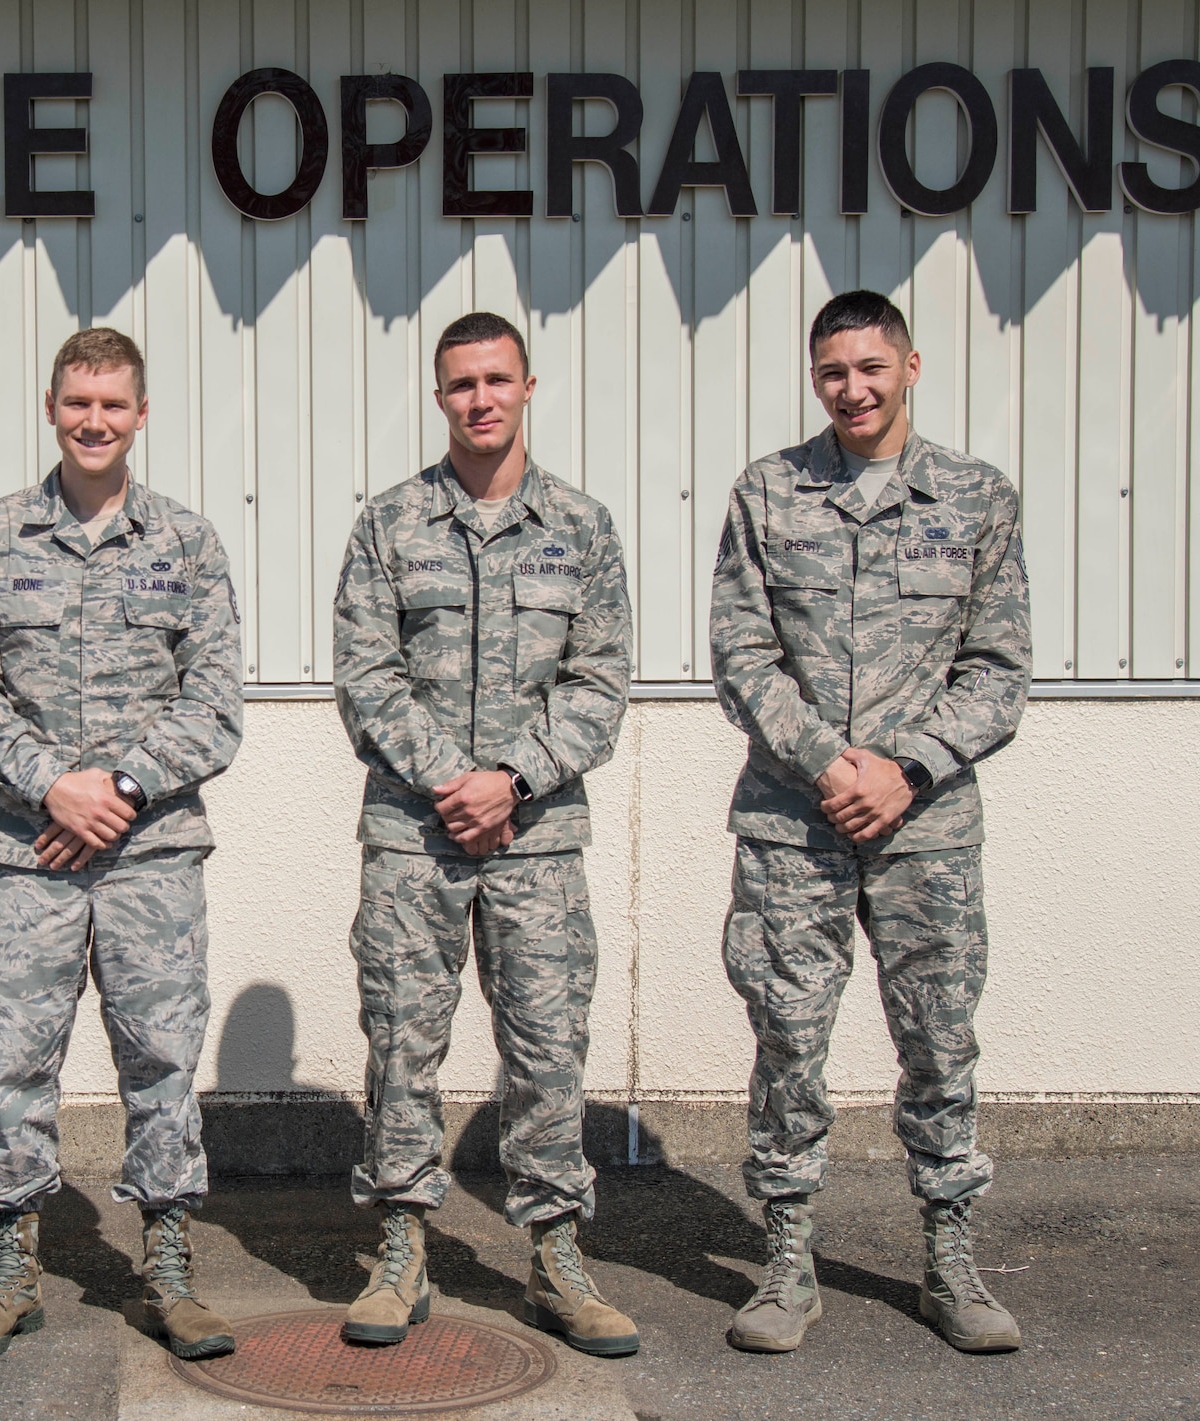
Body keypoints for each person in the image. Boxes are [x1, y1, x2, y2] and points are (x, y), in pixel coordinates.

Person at [710, 289, 1032, 1355]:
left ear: (909, 365)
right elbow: (742, 654)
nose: (849, 388)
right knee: (787, 1043)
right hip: (791, 824)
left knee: (938, 1044)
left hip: (924, 827)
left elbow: (995, 668)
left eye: (867, 367)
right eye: (830, 371)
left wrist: (904, 765)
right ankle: (786, 1258)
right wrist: (824, 761)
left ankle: (948, 1256)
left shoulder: (975, 499)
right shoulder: (767, 491)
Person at [330, 311, 638, 1358]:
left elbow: (600, 682)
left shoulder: (581, 528)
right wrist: (448, 779)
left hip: (537, 838)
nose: (479, 399)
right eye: (459, 383)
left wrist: (512, 778)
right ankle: (402, 1244)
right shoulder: (388, 523)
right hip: (413, 834)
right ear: (438, 394)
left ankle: (553, 1252)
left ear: (527, 385)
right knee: (402, 1040)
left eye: (495, 379)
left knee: (547, 1049)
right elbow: (364, 676)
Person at [0, 327, 244, 1363]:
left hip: (150, 852)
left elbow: (215, 705)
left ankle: (165, 1264)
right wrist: (48, 786)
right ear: (52, 406)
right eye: (77, 402)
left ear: (140, 412)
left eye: (112, 404)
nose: (94, 420)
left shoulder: (187, 543)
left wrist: (113, 787)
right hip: (28, 853)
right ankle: (11, 1264)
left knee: (160, 1060)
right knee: (14, 1058)